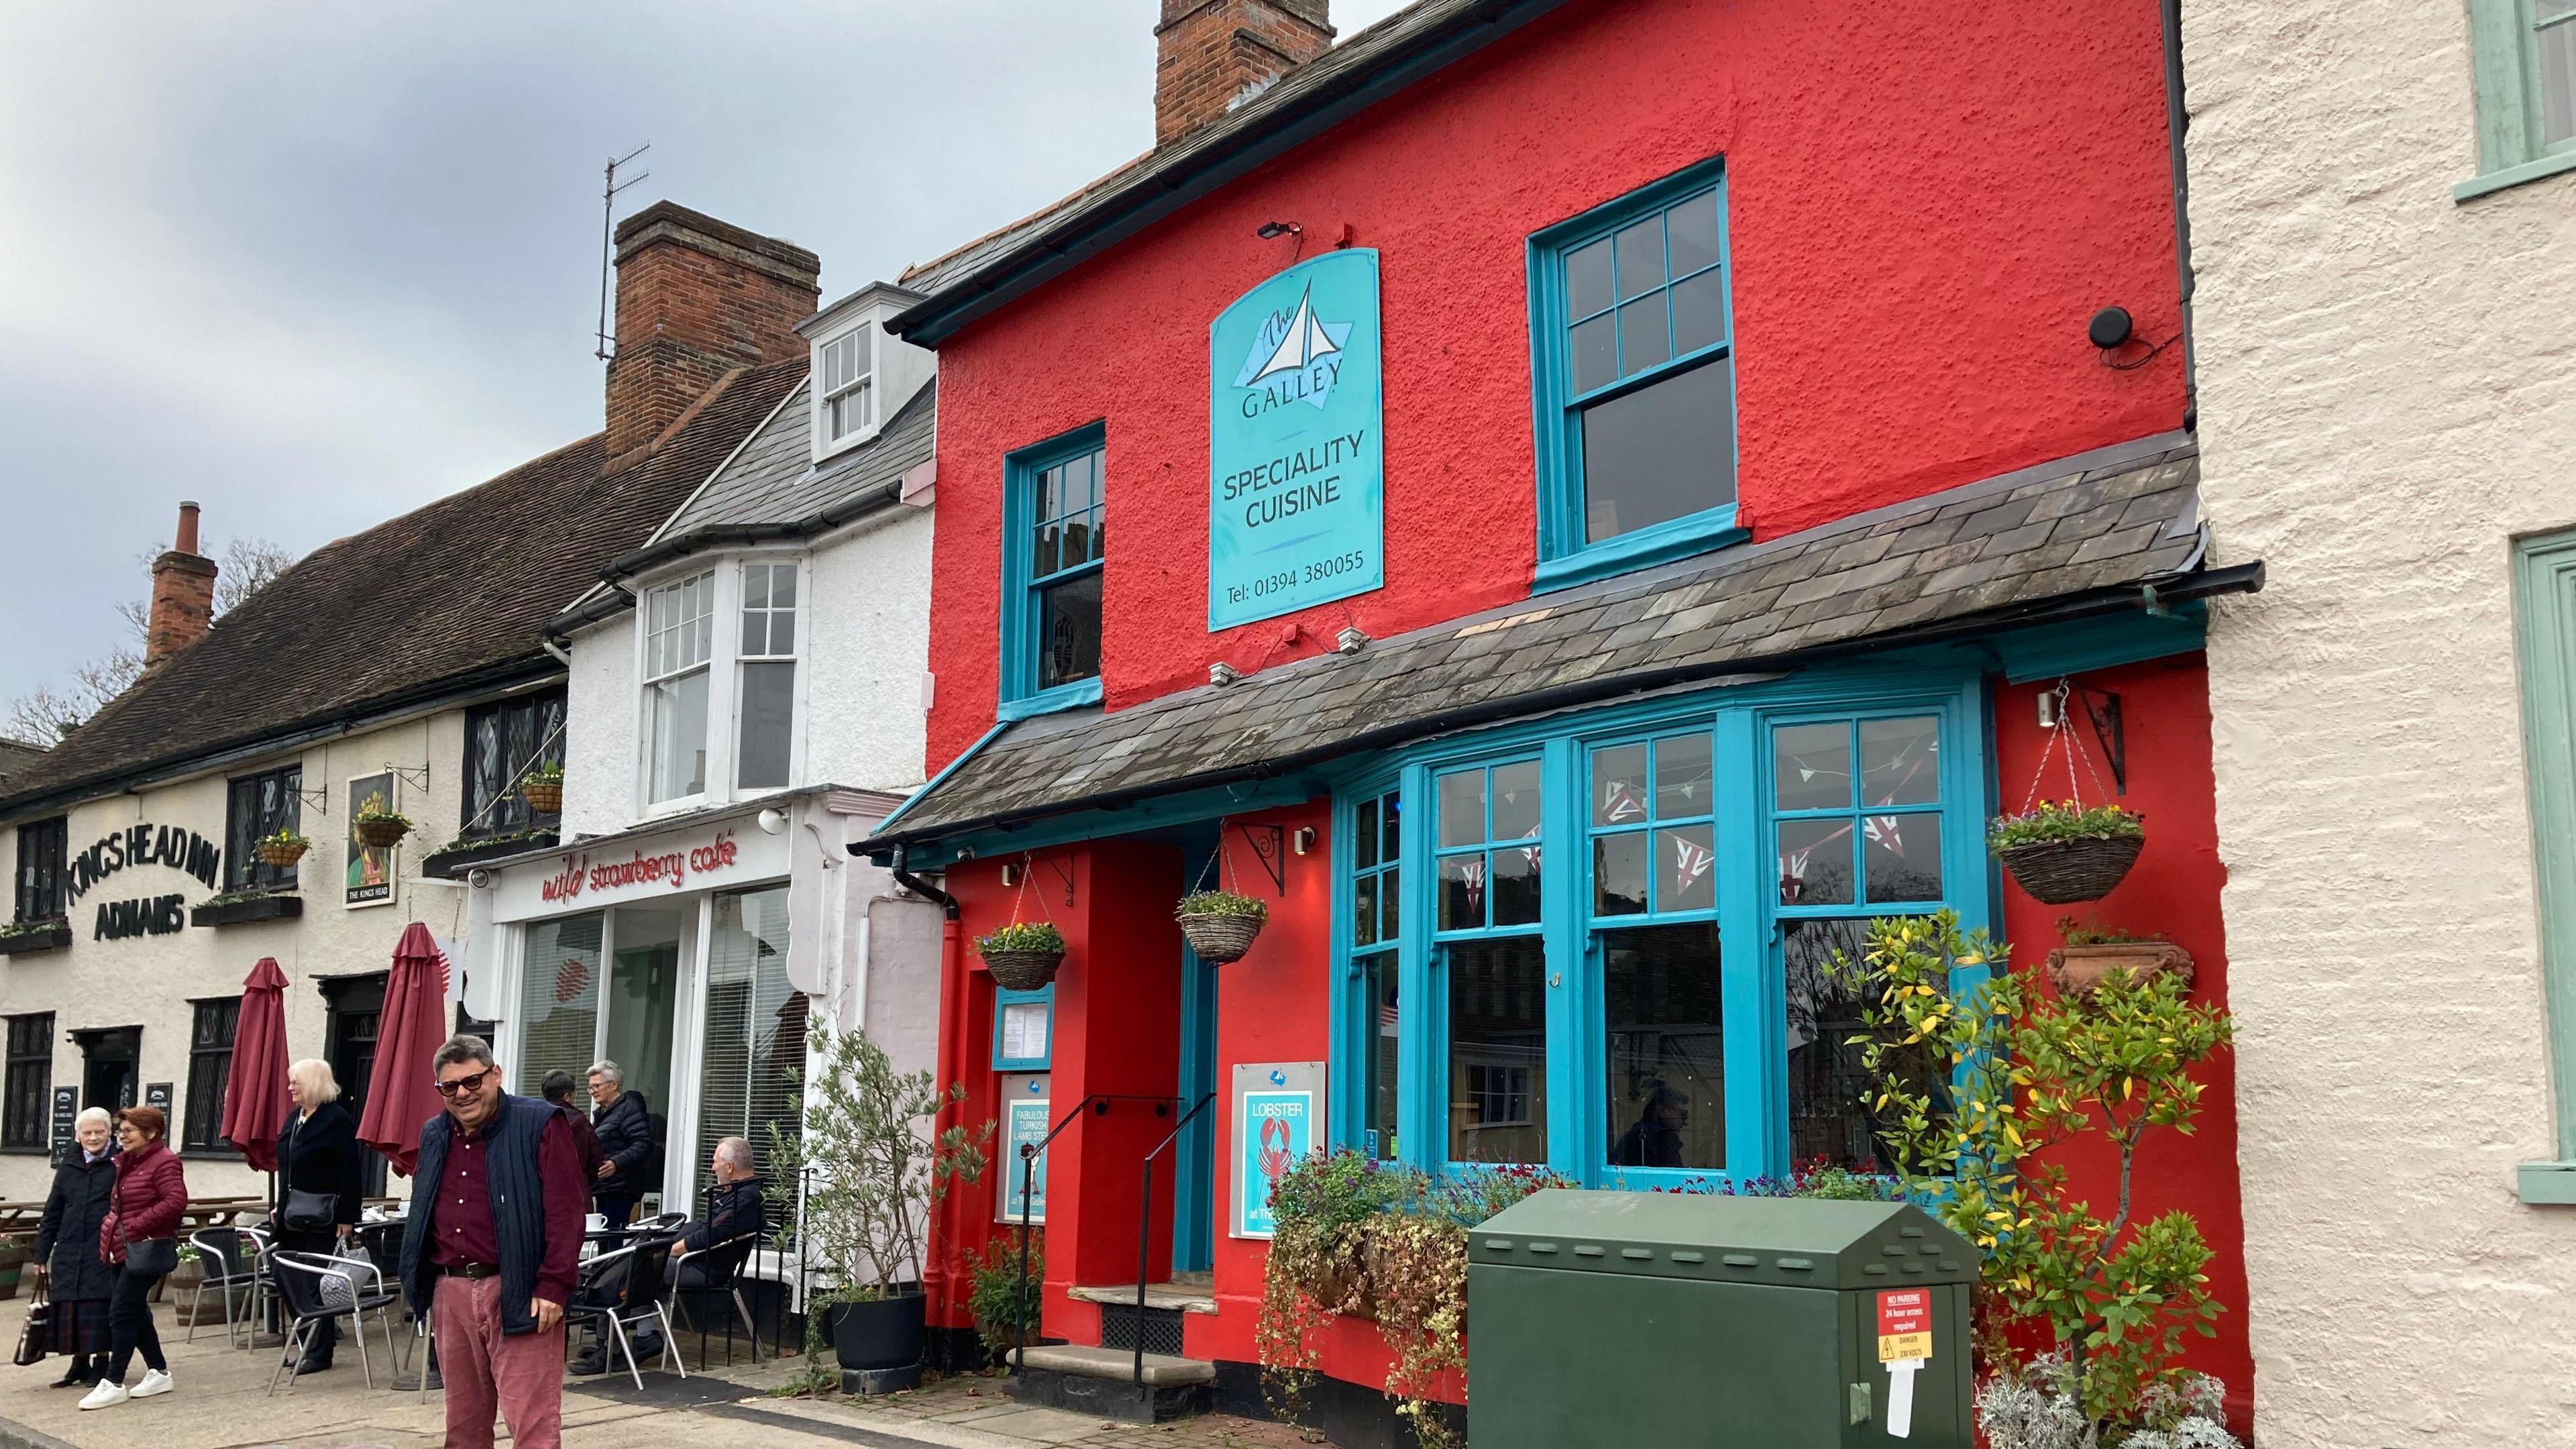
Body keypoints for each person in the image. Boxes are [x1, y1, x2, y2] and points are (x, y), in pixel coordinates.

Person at [397, 1035, 583, 1449]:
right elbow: (424, 1208)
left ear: (495, 1074)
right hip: (452, 1291)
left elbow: (567, 1212)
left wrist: (554, 1285)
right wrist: (423, 1287)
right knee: (463, 1428)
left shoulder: (540, 1123)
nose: (463, 1093)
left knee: (532, 1426)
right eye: (450, 1086)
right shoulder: (434, 1133)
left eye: (473, 1081)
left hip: (522, 1291)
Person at [566, 1136, 765, 1376]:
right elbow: (702, 1227)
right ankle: (638, 1337)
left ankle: (614, 1348)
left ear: (730, 1167)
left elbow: (707, 1237)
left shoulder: (745, 1199)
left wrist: (662, 1252)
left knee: (635, 1271)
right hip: (694, 1261)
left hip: (703, 1269)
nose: (712, 1168)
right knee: (635, 1266)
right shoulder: (735, 1194)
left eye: (715, 1162)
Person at [78, 1106, 186, 1411]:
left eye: (128, 1130)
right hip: (124, 1248)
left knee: (121, 1311)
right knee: (136, 1311)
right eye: (120, 1130)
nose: (120, 1136)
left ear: (150, 1133)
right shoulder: (127, 1161)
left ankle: (113, 1381)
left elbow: (176, 1202)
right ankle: (159, 1372)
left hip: (146, 1249)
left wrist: (135, 1228)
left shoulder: (165, 1161)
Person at [275, 1057, 364, 1375]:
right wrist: (280, 1203)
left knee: (316, 1283)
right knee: (285, 1274)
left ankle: (319, 1350)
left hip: (322, 1215)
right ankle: (305, 1342)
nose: (290, 1088)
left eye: (295, 1083)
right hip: (291, 1213)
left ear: (312, 1083)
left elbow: (350, 1170)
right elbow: (286, 1166)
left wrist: (347, 1216)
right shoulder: (294, 1118)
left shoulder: (335, 1119)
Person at [32, 1108, 117, 1388]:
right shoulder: (68, 1167)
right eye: (87, 1133)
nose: (93, 1138)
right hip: (69, 1248)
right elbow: (52, 1211)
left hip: (103, 1247)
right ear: (78, 1136)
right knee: (72, 1307)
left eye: (99, 1132)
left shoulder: (119, 1164)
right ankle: (78, 1365)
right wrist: (41, 1253)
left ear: (109, 1133)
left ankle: (102, 1364)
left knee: (100, 1305)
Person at [585, 1061, 653, 1230]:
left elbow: (643, 1143)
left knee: (612, 1238)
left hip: (621, 1187)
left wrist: (616, 1163)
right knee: (604, 1237)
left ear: (614, 1085)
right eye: (590, 1088)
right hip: (605, 1186)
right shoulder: (602, 1114)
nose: (593, 1092)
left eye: (596, 1086)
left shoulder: (628, 1109)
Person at [539, 1069, 606, 1185]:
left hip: (542, 1191)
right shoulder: (579, 1121)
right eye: (575, 1094)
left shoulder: (535, 1119)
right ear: (567, 1096)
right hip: (575, 1189)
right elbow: (596, 1162)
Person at [1609, 1085, 1689, 1169]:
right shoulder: (1657, 1137)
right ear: (1663, 1111)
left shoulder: (1644, 1133)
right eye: (1682, 1115)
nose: (1685, 1122)